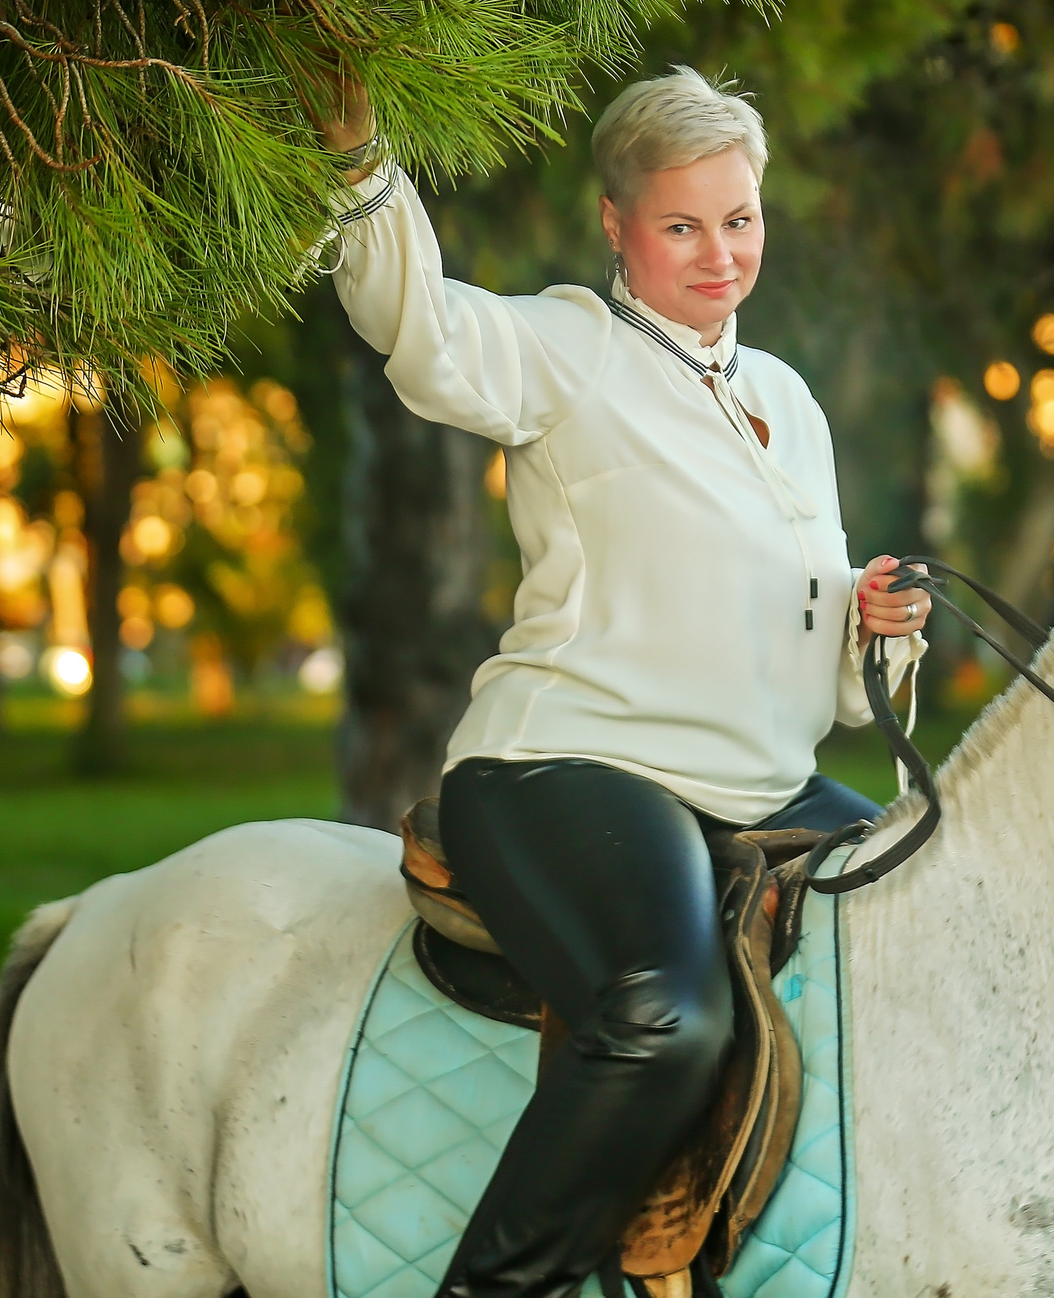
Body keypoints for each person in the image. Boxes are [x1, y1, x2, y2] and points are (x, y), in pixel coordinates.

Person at [318, 65, 931, 1298]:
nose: (720, 255)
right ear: (615, 223)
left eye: (739, 219)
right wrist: (358, 167)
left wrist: (878, 625)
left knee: (929, 921)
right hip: (569, 766)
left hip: (762, 781)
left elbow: (832, 681)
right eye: (681, 226)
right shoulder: (570, 349)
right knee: (664, 1019)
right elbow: (421, 327)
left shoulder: (784, 397)